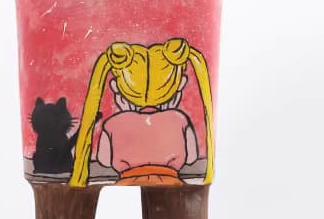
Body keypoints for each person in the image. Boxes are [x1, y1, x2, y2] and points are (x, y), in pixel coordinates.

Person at [68, 38, 215, 188]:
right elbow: (191, 158)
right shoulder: (180, 119)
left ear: (116, 88)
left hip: (125, 182)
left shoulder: (113, 124)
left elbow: (104, 160)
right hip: (172, 184)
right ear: (179, 85)